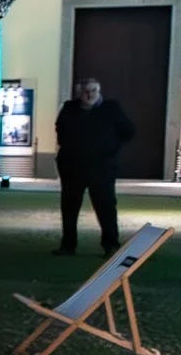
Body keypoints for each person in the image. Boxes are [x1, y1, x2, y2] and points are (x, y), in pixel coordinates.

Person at [53, 76, 134, 256]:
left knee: (105, 206)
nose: (89, 95)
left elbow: (128, 131)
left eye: (93, 91)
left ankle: (110, 244)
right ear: (79, 93)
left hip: (102, 167)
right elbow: (60, 129)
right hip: (72, 167)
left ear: (99, 92)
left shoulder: (111, 109)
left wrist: (111, 149)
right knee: (69, 207)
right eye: (85, 91)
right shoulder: (69, 108)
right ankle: (68, 245)